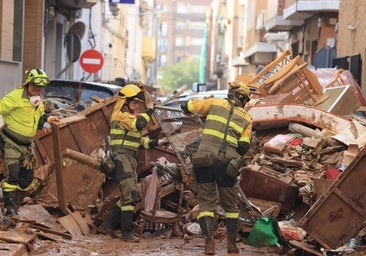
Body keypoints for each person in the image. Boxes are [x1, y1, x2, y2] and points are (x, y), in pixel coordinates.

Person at [180, 81, 253, 255]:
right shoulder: (247, 118)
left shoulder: (214, 103)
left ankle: (209, 244)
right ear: (242, 99)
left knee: (206, 203)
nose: (246, 104)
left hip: (204, 159)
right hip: (226, 163)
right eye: (246, 100)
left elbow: (187, 105)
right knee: (231, 207)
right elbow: (243, 147)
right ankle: (232, 246)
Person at [107, 83, 166, 242]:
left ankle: (112, 225)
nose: (136, 106)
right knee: (129, 194)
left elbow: (143, 143)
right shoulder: (122, 116)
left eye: (137, 103)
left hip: (128, 159)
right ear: (125, 103)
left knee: (131, 194)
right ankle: (126, 232)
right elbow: (139, 124)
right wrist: (151, 110)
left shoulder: (129, 119)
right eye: (134, 103)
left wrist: (161, 142)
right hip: (121, 158)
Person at [0, 68, 59, 219]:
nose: (37, 90)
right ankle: (10, 210)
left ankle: (15, 207)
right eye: (35, 87)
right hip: (11, 141)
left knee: (26, 178)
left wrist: (48, 118)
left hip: (27, 146)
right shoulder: (15, 97)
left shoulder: (38, 102)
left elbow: (38, 116)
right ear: (27, 84)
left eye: (40, 88)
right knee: (12, 175)